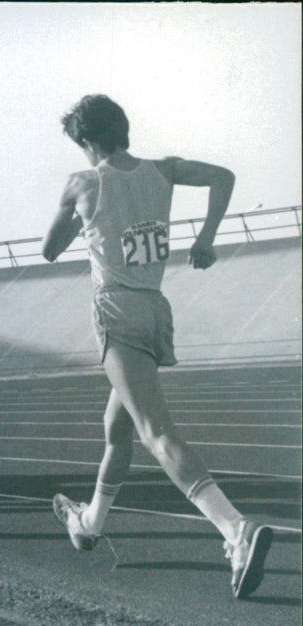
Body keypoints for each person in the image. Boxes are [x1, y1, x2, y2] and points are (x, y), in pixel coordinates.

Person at [43, 94, 273, 599]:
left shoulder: (83, 182)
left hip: (116, 309)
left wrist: (71, 230)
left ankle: (236, 530)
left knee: (156, 432)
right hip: (154, 307)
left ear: (87, 141)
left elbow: (48, 247)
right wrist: (205, 239)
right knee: (116, 429)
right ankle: (89, 524)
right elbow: (224, 176)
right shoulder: (163, 170)